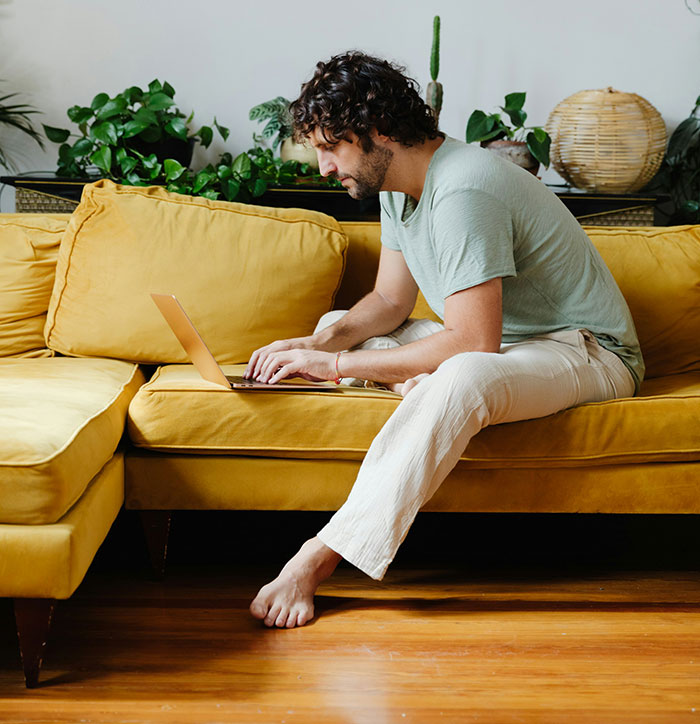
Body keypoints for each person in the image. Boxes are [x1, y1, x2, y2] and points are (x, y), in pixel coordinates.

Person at [245, 51, 644, 629]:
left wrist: (333, 365)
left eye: (333, 146)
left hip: (586, 350)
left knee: (459, 373)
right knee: (362, 330)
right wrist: (316, 341)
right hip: (512, 348)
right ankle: (423, 388)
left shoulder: (464, 188)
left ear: (377, 129)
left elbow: (473, 343)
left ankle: (318, 556)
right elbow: (388, 303)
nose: (325, 166)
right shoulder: (393, 185)